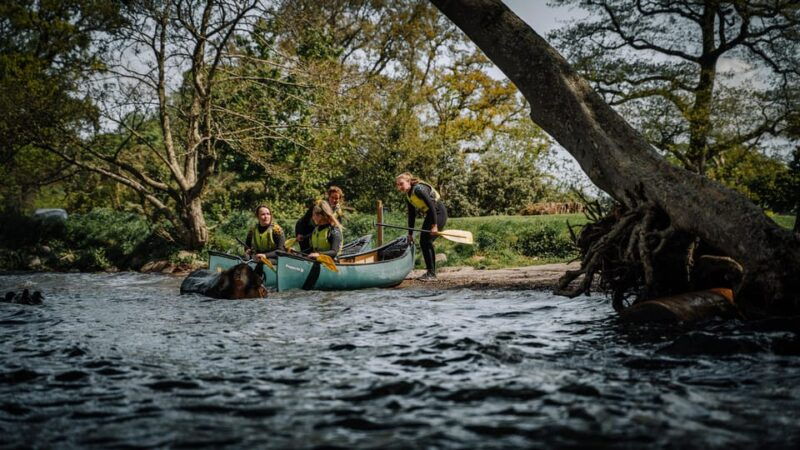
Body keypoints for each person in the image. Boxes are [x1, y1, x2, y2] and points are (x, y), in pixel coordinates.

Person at [395, 172, 447, 281]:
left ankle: (431, 274)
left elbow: (432, 206)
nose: (399, 187)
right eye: (398, 185)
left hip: (438, 213)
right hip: (431, 215)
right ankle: (430, 272)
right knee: (424, 241)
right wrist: (410, 234)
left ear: (408, 181)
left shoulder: (419, 189)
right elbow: (411, 216)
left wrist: (435, 226)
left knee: (426, 241)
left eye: (401, 184)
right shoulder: (408, 196)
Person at [295, 186, 345, 253]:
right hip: (306, 230)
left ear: (339, 199)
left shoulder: (338, 212)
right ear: (328, 197)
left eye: (336, 198)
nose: (333, 200)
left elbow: (338, 228)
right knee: (306, 251)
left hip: (322, 233)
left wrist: (336, 243)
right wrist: (300, 233)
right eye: (332, 197)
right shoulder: (318, 206)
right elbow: (303, 220)